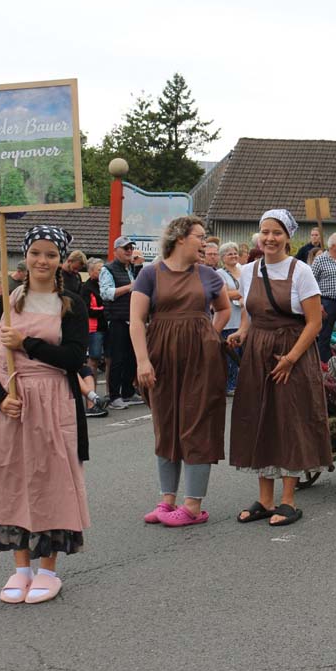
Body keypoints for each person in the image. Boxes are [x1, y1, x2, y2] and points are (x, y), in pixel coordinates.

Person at [0, 225, 90, 605]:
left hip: (53, 400)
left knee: (50, 479)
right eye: (36, 253)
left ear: (60, 261)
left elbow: (73, 358)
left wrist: (27, 344)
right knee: (10, 478)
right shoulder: (6, 303)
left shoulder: (72, 304)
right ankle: (21, 568)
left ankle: (48, 569)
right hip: (10, 403)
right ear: (26, 256)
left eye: (51, 255)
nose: (43, 260)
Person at [229, 209, 331, 527]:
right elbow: (249, 311)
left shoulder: (300, 271)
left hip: (292, 352)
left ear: (288, 237)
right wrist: (242, 333)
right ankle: (265, 499)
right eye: (265, 232)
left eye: (277, 232)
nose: (270, 238)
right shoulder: (247, 271)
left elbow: (314, 322)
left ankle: (288, 500)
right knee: (260, 418)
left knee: (289, 420)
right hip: (258, 352)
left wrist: (290, 359)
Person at [132, 216, 230, 527]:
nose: (205, 243)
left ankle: (192, 506)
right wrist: (142, 360)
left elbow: (225, 309)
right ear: (179, 238)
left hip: (202, 360)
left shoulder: (209, 275)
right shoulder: (150, 274)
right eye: (200, 237)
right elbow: (136, 321)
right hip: (161, 356)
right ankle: (167, 500)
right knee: (166, 422)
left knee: (196, 422)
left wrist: (210, 335)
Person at [99, 236, 144, 410]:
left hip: (132, 319)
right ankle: (114, 396)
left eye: (131, 248)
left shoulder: (132, 268)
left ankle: (128, 392)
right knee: (117, 359)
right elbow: (106, 293)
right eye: (125, 248)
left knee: (132, 357)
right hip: (117, 319)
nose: (129, 251)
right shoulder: (107, 269)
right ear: (115, 250)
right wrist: (129, 287)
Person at [311, 233, 336, 361]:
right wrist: (318, 304)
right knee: (325, 335)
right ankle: (323, 363)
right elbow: (311, 282)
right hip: (327, 302)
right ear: (333, 246)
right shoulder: (320, 260)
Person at [216, 242, 245, 395]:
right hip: (230, 320)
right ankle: (230, 385)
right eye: (229, 254)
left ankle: (242, 383)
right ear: (222, 258)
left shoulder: (243, 269)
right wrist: (241, 293)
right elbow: (222, 294)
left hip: (244, 319)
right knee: (231, 355)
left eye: (235, 253)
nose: (234, 256)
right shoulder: (220, 274)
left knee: (244, 354)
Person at [81, 259, 107, 376]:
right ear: (91, 272)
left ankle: (110, 392)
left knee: (109, 359)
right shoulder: (86, 288)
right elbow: (88, 310)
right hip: (95, 329)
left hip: (107, 326)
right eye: (99, 270)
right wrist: (104, 309)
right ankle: (91, 391)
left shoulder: (107, 284)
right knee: (94, 359)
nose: (103, 272)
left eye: (104, 269)